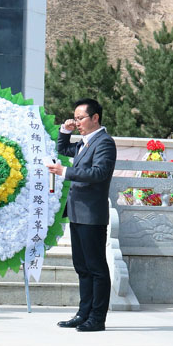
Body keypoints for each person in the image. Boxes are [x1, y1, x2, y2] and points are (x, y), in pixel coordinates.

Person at [46, 98, 117, 332]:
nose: (77, 123)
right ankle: (83, 313)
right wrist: (64, 132)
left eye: (80, 118)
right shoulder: (85, 143)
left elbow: (98, 173)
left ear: (95, 117)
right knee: (82, 267)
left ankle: (97, 317)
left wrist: (65, 171)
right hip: (78, 212)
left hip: (92, 214)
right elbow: (63, 149)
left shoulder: (104, 142)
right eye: (75, 118)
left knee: (96, 268)